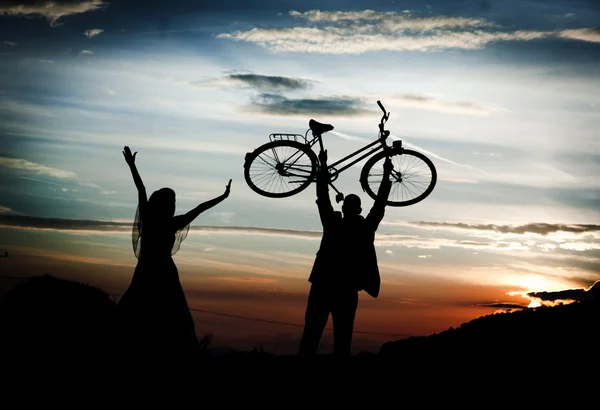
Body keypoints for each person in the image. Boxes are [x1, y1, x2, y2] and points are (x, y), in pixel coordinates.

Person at [116, 146, 231, 368]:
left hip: (151, 269)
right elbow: (199, 208)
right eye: (172, 201)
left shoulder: (152, 218)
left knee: (149, 307)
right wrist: (223, 196)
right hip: (161, 270)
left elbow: (142, 188)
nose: (173, 204)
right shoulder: (169, 222)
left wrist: (132, 165)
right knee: (168, 311)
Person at [298, 148, 393, 361]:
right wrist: (387, 174)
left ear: (344, 207)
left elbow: (322, 195)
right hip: (347, 289)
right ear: (359, 209)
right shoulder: (366, 228)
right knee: (343, 340)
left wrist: (322, 165)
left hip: (322, 286)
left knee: (310, 337)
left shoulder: (332, 224)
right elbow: (380, 203)